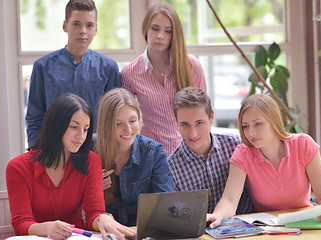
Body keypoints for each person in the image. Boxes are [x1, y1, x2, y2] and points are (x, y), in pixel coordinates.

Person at [6, 94, 136, 240]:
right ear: (55, 126)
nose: (81, 136)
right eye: (74, 127)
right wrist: (48, 228)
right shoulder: (18, 167)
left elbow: (94, 212)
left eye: (86, 129)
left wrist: (102, 219)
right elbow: (21, 224)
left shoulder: (91, 161)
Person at [207, 93, 321, 228]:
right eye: (245, 126)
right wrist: (218, 215)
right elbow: (229, 200)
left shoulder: (303, 144)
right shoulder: (243, 154)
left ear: (273, 121)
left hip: (306, 224)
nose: (251, 132)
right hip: (268, 229)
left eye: (258, 124)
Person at [26, 0, 120, 148]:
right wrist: (35, 151)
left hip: (96, 152)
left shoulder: (109, 68)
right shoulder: (43, 67)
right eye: (76, 24)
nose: (83, 30)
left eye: (89, 25)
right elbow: (35, 116)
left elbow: (114, 118)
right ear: (65, 26)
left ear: (96, 28)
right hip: (53, 151)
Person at [121, 3, 207, 155]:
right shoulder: (130, 73)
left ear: (174, 35)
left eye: (168, 31)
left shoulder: (192, 66)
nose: (160, 36)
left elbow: (203, 116)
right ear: (146, 29)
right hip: (151, 156)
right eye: (155, 28)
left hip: (189, 154)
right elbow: (126, 121)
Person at [167, 87, 254, 215]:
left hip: (248, 226)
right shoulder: (170, 168)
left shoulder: (236, 145)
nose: (193, 133)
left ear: (211, 117)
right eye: (185, 124)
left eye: (199, 123)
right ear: (176, 123)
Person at [95, 88, 175, 227]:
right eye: (118, 124)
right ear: (106, 125)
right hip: (102, 230)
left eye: (132, 121)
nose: (128, 130)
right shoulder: (90, 151)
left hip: (143, 230)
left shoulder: (153, 152)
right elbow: (72, 206)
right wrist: (93, 189)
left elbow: (166, 202)